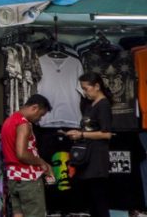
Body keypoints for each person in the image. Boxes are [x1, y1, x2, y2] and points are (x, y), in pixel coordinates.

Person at [64, 73, 113, 217]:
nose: (85, 92)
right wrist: (77, 132)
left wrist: (82, 135)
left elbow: (106, 134)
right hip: (87, 157)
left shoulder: (103, 105)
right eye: (83, 89)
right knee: (91, 201)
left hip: (97, 158)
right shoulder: (91, 105)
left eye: (86, 89)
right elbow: (91, 128)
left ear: (97, 86)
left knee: (99, 200)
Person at [1, 94, 55, 217]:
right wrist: (42, 163)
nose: (39, 119)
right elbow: (21, 154)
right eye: (41, 115)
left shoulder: (9, 121)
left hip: (13, 177)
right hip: (28, 179)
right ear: (34, 108)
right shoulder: (23, 124)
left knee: (18, 214)